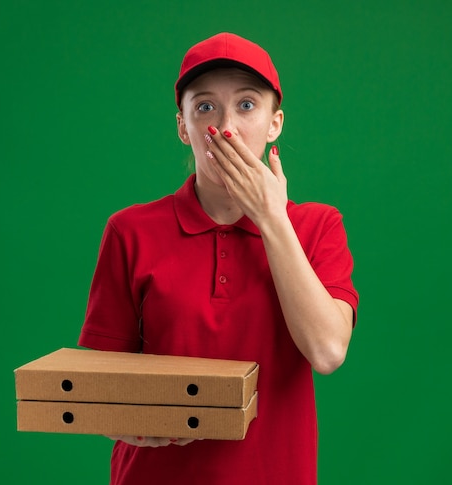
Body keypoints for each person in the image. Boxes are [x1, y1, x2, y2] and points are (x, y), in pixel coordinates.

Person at [78, 32, 359, 484]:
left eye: (247, 105)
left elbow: (327, 351)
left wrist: (271, 219)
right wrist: (129, 424)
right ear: (182, 126)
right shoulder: (129, 230)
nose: (225, 128)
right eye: (205, 107)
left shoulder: (318, 226)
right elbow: (95, 393)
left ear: (275, 124)